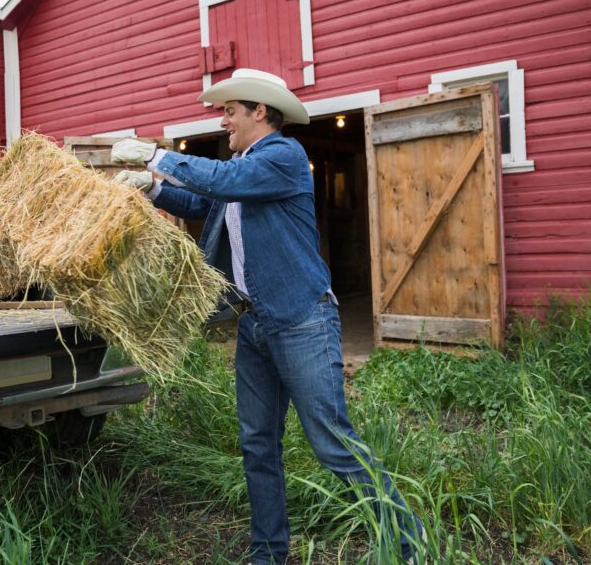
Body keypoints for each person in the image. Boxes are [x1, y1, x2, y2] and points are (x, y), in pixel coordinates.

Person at [111, 68, 423, 564]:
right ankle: (269, 554)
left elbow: (223, 180)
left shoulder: (283, 156)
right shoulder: (242, 168)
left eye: (230, 111)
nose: (223, 121)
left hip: (302, 319)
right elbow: (203, 200)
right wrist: (150, 187)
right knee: (257, 445)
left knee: (332, 442)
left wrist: (156, 155)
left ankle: (410, 545)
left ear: (260, 111)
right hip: (255, 324)